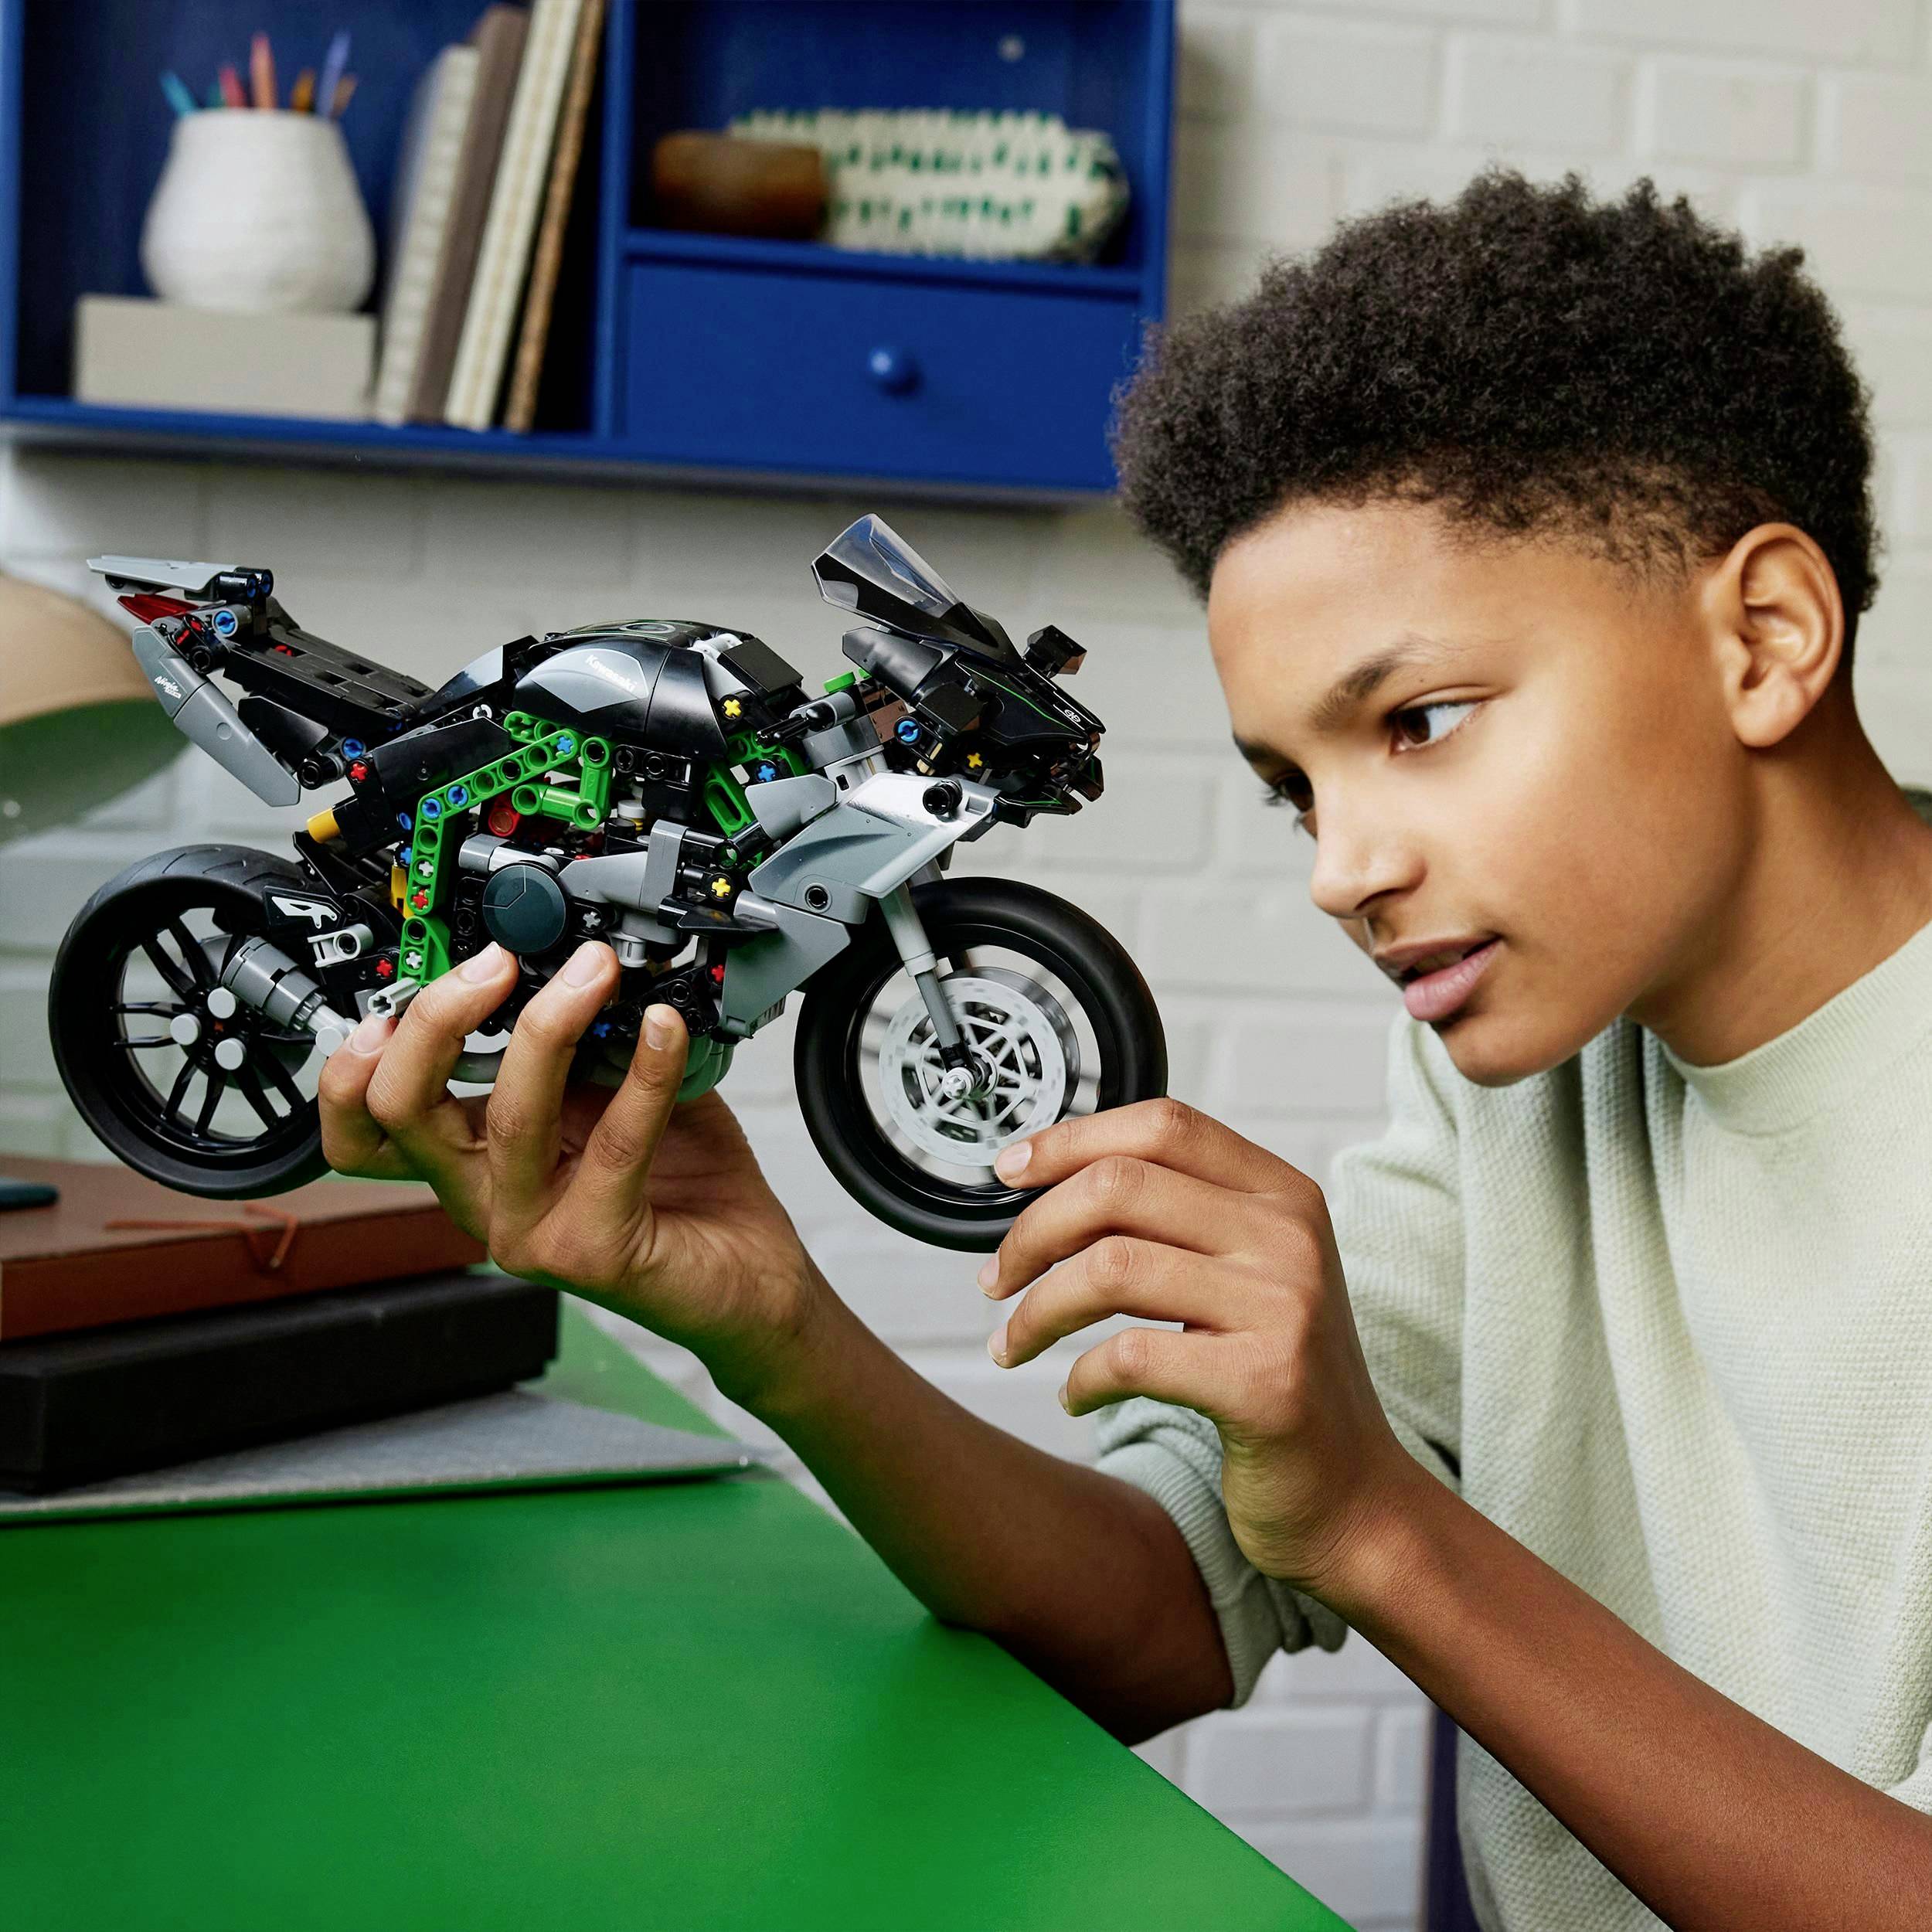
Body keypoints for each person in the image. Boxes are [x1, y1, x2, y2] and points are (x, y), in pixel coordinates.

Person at [319, 170, 1932, 1928]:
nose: (1342, 870)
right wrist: (773, 1323)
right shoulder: (1530, 1067)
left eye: (1422, 721)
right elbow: (1159, 1612)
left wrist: (1377, 1522)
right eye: (1294, 786)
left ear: (1762, 636)